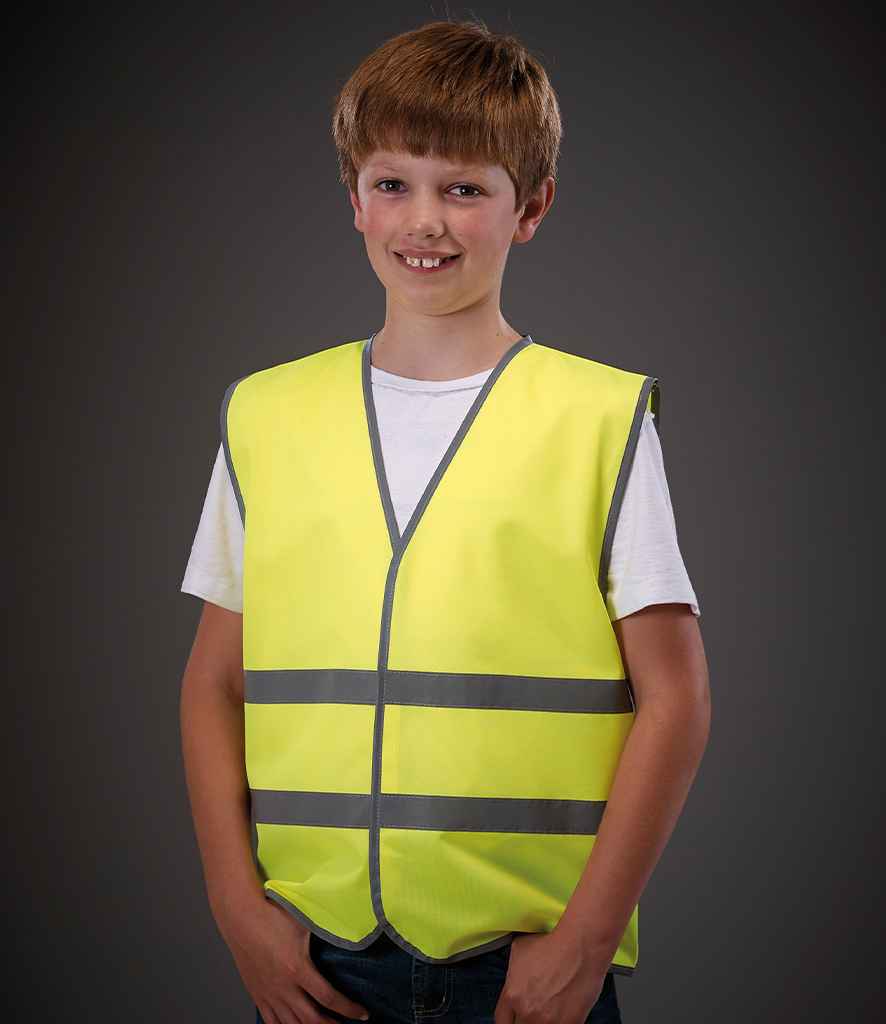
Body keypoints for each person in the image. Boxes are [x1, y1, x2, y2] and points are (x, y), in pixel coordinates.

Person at [179, 17, 710, 1024]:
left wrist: (585, 944)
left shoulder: (597, 419)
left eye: (464, 189)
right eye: (394, 184)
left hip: (521, 969)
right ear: (355, 199)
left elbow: (676, 699)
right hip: (315, 960)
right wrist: (235, 907)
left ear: (530, 207)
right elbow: (214, 680)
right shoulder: (266, 415)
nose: (424, 221)